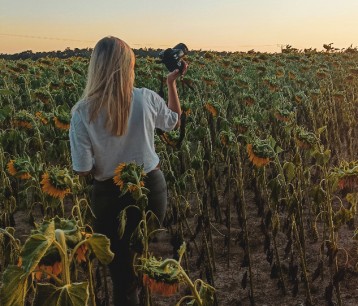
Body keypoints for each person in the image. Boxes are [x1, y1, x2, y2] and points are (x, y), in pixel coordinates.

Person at [69, 36, 188, 306]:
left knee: (122, 275)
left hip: (110, 197)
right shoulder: (145, 98)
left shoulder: (82, 112)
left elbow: (83, 169)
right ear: (127, 67)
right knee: (140, 257)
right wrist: (171, 83)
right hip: (152, 191)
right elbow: (173, 123)